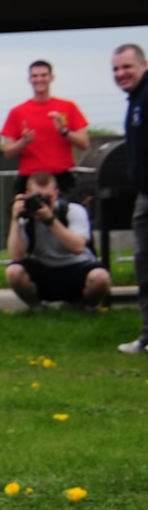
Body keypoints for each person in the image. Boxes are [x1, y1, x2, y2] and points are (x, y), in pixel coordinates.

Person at [6, 172, 110, 310]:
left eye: (47, 197)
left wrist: (50, 220)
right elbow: (16, 256)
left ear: (56, 193)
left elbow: (77, 247)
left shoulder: (73, 211)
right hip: (43, 269)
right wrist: (15, 220)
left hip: (77, 267)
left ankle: (87, 307)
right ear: (28, 194)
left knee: (101, 277)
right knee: (14, 271)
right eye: (38, 197)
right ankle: (36, 307)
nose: (43, 203)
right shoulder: (26, 215)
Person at [0, 59, 90, 197]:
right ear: (29, 79)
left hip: (61, 178)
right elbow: (7, 152)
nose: (39, 79)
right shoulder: (17, 112)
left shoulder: (68, 107)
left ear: (51, 78)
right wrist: (24, 142)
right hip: (30, 179)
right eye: (35, 76)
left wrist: (64, 132)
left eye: (43, 75)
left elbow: (84, 144)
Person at [111, 44, 148, 354]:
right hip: (143, 195)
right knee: (144, 264)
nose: (121, 74)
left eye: (127, 67)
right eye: (116, 69)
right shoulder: (136, 100)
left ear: (144, 64)